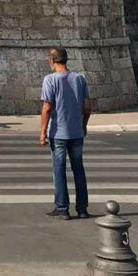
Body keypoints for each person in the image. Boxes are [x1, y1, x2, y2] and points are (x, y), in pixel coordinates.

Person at [39, 47, 91, 220]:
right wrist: (83, 126)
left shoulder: (50, 80)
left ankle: (62, 208)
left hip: (58, 133)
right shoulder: (80, 79)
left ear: (52, 61)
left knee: (59, 171)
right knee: (79, 170)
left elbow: (47, 108)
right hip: (76, 132)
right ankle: (82, 208)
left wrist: (42, 132)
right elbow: (87, 107)